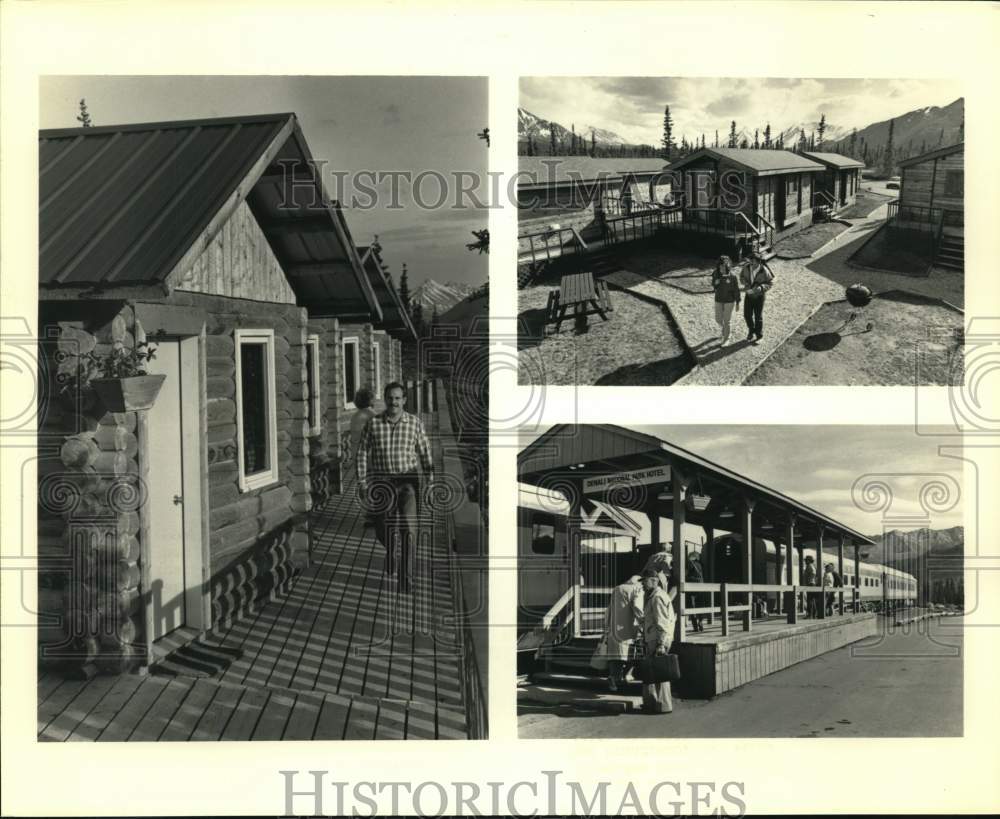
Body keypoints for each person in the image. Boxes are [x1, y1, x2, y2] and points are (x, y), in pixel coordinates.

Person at [356, 382, 434, 594]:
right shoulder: (373, 424)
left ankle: (406, 579)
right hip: (382, 482)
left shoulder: (415, 423)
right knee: (383, 528)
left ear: (404, 400)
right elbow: (362, 452)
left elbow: (425, 451)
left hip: (408, 481)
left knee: (409, 529)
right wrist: (362, 481)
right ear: (385, 398)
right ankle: (391, 548)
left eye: (398, 398)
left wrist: (430, 478)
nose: (394, 402)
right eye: (390, 397)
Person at [640, 568, 677, 714]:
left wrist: (661, 644)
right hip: (653, 638)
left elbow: (662, 623)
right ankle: (652, 703)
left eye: (644, 581)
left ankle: (663, 705)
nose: (642, 585)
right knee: (652, 672)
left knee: (660, 673)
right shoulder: (655, 596)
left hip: (657, 639)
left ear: (654, 581)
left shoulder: (657, 598)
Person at [602, 575, 644, 692]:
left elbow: (609, 609)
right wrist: (643, 621)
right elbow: (637, 607)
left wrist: (607, 625)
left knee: (615, 655)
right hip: (628, 628)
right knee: (631, 653)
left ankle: (613, 677)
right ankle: (626, 675)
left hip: (614, 627)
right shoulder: (637, 589)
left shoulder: (617, 589)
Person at [739, 242, 775, 343]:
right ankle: (751, 330)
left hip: (759, 296)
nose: (752, 264)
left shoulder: (764, 270)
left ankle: (759, 336)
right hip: (749, 295)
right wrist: (745, 283)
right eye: (751, 261)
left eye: (754, 262)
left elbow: (770, 283)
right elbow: (741, 277)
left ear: (759, 262)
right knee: (747, 315)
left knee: (758, 317)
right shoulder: (746, 267)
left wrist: (761, 288)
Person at [711, 255, 741, 345]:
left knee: (727, 320)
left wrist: (738, 302)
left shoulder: (732, 277)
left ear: (728, 266)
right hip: (718, 299)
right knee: (718, 319)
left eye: (723, 266)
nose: (721, 268)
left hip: (729, 301)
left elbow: (736, 290)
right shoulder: (715, 273)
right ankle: (725, 329)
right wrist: (715, 284)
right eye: (720, 265)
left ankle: (726, 339)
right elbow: (713, 284)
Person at [685, 550, 706, 632]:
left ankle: (695, 626)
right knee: (700, 605)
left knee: (692, 606)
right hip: (701, 587)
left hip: (692, 588)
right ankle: (700, 621)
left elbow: (685, 575)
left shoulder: (690, 564)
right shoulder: (700, 565)